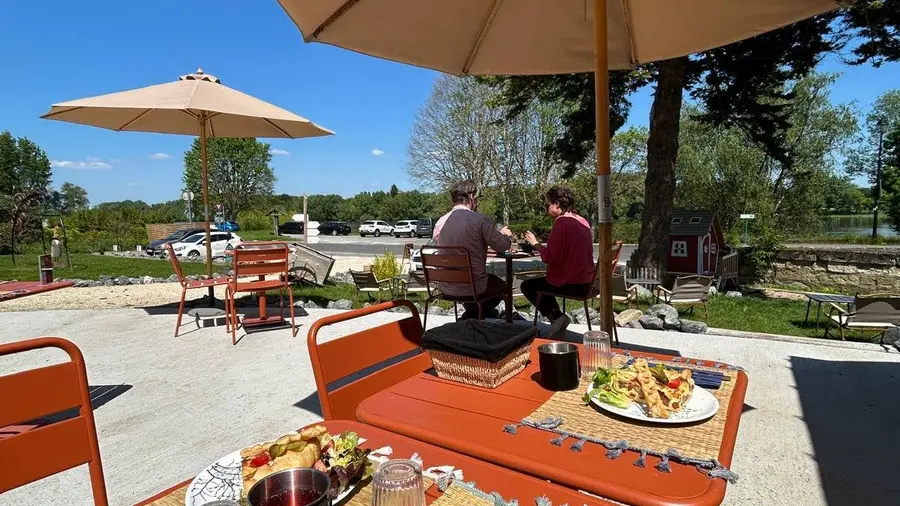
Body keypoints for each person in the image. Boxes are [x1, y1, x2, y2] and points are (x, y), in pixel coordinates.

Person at [431, 180, 514, 320]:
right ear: (471, 197)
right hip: (472, 287)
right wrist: (506, 235)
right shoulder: (480, 220)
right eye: (477, 197)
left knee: (475, 284)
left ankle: (472, 317)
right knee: (503, 287)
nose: (477, 200)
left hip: (445, 286)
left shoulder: (441, 222)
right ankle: (472, 317)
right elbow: (502, 246)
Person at [521, 186, 595, 338]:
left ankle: (557, 318)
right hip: (588, 282)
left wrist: (535, 244)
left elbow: (549, 258)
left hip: (572, 283)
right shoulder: (582, 221)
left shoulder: (561, 222)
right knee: (542, 283)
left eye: (547, 204)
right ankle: (558, 319)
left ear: (556, 203)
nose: (546, 208)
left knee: (528, 286)